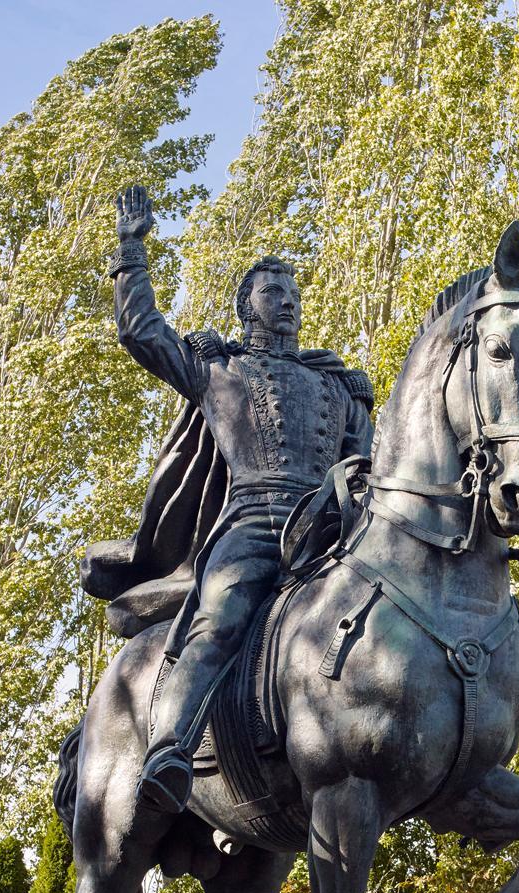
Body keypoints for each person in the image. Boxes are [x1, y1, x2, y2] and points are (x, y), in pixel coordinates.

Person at [91, 184, 374, 814]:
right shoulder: (218, 370)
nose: (289, 305)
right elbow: (142, 332)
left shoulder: (336, 384)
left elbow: (365, 464)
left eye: (296, 296)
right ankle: (168, 749)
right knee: (218, 623)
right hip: (250, 526)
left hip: (327, 533)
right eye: (275, 294)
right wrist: (130, 250)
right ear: (246, 304)